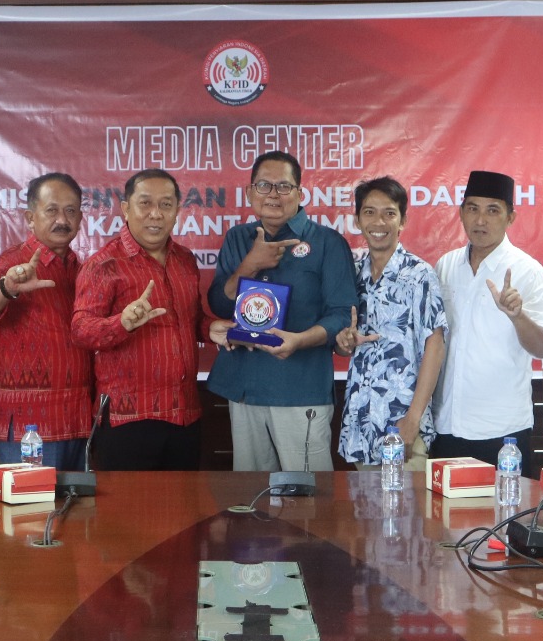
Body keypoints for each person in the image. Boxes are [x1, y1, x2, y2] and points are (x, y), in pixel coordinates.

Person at [207, 151, 357, 472]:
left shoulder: (327, 242)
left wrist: (299, 340)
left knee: (306, 495)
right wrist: (250, 264)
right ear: (250, 193)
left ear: (300, 194)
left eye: (284, 186)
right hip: (244, 387)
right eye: (264, 185)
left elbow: (342, 314)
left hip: (299, 389)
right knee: (250, 494)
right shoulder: (238, 238)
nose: (273, 195)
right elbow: (219, 304)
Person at [73, 169, 231, 470]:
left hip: (184, 415)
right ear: (126, 208)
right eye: (145, 203)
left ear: (177, 210)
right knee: (129, 503)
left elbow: (191, 317)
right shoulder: (104, 264)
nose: (155, 214)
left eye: (166, 204)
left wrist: (210, 328)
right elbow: (80, 330)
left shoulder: (185, 259)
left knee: (185, 501)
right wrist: (121, 323)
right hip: (129, 420)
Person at [0, 172, 95, 468]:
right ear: (30, 218)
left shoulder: (83, 270)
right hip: (30, 425)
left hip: (79, 420)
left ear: (80, 218)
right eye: (51, 210)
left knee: (80, 500)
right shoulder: (11, 264)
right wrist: (7, 289)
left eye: (70, 211)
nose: (62, 220)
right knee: (32, 500)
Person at [431, 170, 543, 475]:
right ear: (461, 213)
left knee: (505, 507)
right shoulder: (446, 265)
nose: (480, 220)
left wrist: (517, 316)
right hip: (446, 425)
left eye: (493, 211)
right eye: (473, 208)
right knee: (442, 508)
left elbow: (542, 347)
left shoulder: (527, 271)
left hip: (503, 432)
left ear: (511, 217)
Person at [334, 177, 447, 471]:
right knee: (362, 503)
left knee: (405, 501)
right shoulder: (353, 274)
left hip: (402, 422)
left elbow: (435, 346)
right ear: (357, 220)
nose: (379, 222)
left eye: (389, 213)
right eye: (369, 212)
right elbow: (344, 346)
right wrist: (343, 342)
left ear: (403, 221)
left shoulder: (419, 274)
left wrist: (413, 418)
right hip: (361, 425)